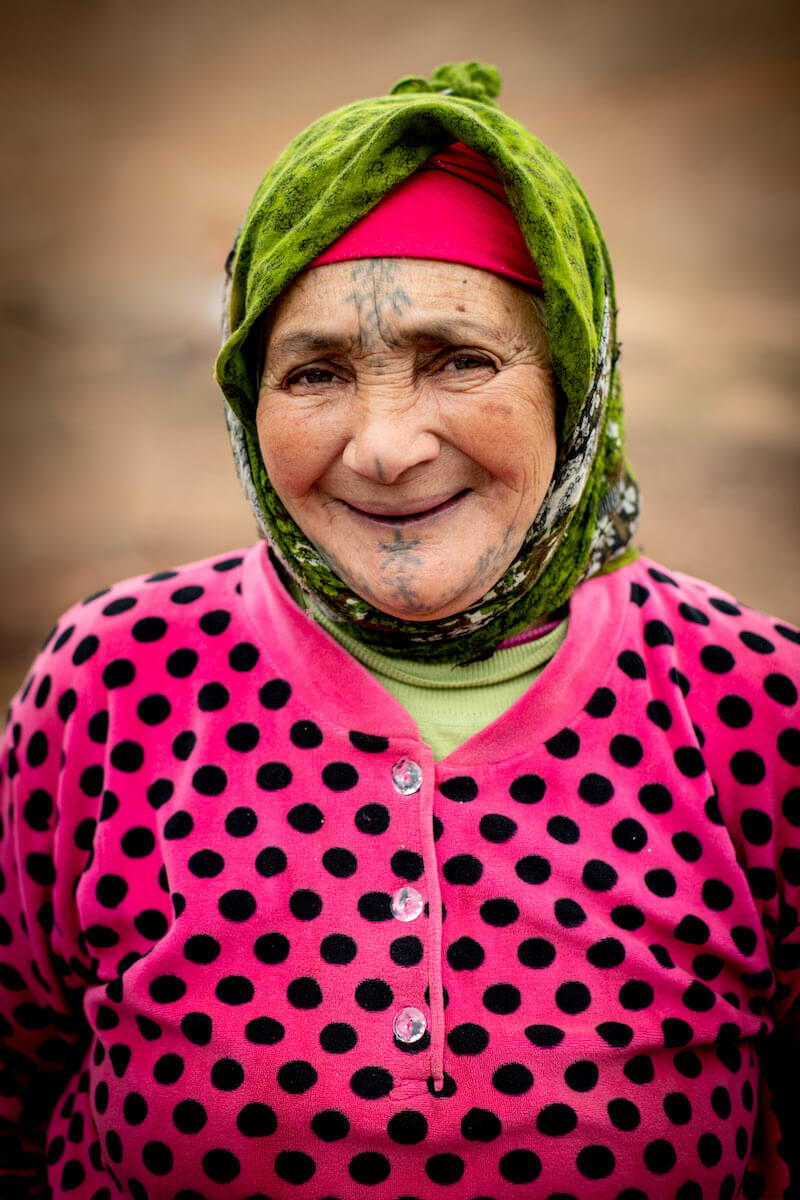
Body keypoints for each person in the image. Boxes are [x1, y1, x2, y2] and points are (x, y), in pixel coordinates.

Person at [1, 59, 797, 1200]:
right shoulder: (115, 677)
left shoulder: (754, 705)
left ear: (574, 379)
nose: (382, 446)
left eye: (458, 360)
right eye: (314, 372)